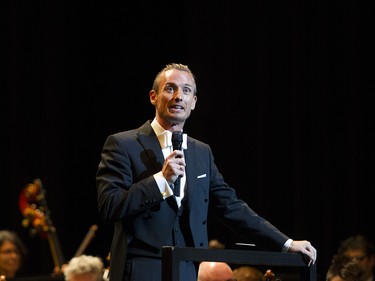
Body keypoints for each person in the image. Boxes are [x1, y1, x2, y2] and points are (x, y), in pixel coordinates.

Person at [96, 63, 317, 281]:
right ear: (154, 97)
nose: (178, 96)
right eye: (170, 88)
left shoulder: (201, 152)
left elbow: (231, 207)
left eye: (186, 90)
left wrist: (286, 244)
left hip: (187, 268)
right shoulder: (123, 144)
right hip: (141, 270)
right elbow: (110, 206)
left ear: (194, 103)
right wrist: (161, 181)